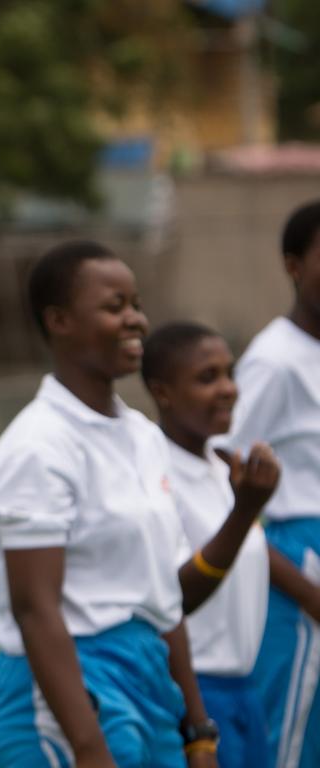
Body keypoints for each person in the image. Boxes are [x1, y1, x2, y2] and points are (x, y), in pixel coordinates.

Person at [0, 240, 274, 768]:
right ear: (59, 320)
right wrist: (88, 748)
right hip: (64, 695)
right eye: (115, 307)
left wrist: (197, 729)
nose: (135, 320)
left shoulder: (143, 436)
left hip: (146, 677)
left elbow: (162, 599)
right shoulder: (38, 447)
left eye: (136, 304)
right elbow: (37, 611)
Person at [142, 322, 306, 768]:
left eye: (229, 374)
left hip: (245, 688)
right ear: (163, 392)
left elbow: (247, 552)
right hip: (194, 691)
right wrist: (244, 510)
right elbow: (175, 597)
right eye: (206, 377)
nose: (228, 389)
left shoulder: (220, 464)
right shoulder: (154, 472)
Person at [221, 201, 320, 768]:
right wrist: (305, 589)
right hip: (301, 564)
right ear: (294, 265)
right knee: (289, 736)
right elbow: (221, 475)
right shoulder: (275, 361)